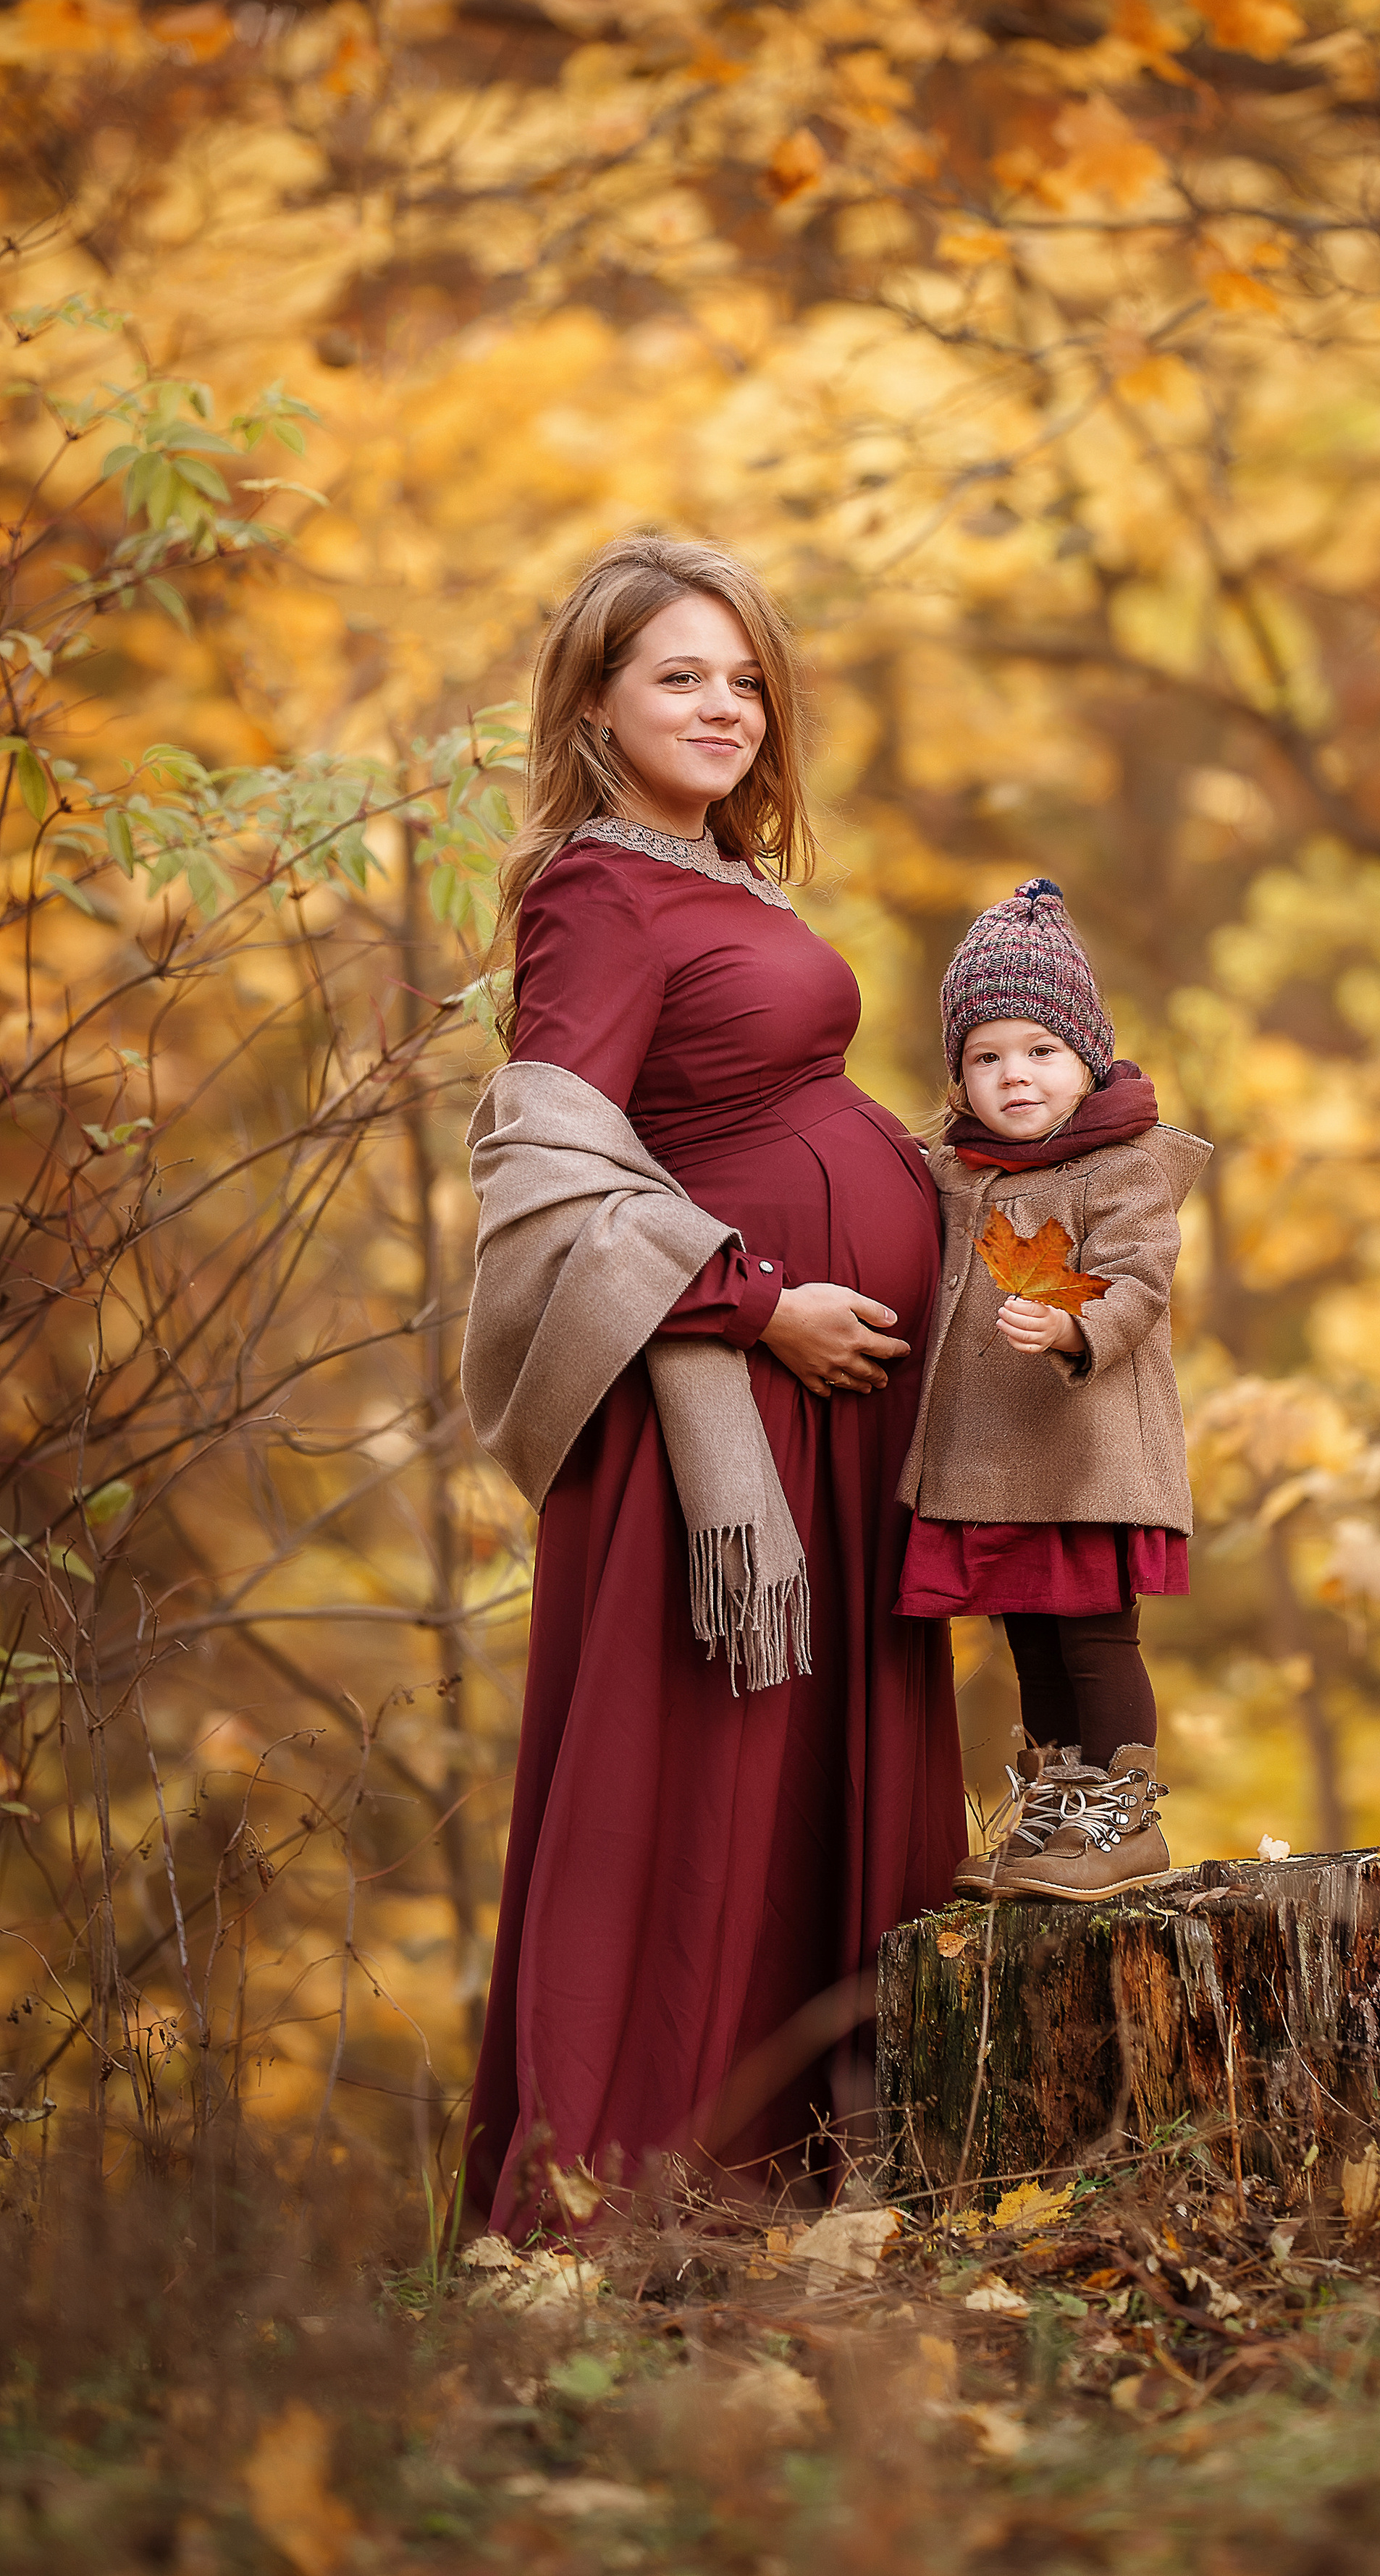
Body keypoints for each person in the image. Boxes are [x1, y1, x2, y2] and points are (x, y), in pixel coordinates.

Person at [460, 534, 965, 2230]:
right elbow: (545, 1166)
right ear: (594, 701)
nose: (723, 705)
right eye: (679, 673)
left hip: (832, 1411)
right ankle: (615, 2211)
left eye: (744, 677)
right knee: (684, 1801)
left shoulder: (713, 877)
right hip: (725, 1424)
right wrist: (756, 1307)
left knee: (811, 1782)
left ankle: (814, 2185)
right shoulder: (595, 893)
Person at [895, 879, 1209, 1901]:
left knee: (1091, 1632)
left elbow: (1140, 1284)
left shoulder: (1120, 1169)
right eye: (985, 1057)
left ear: (1088, 1056)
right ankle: (1059, 1810)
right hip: (990, 1464)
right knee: (1026, 1630)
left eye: (1039, 1050)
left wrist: (1075, 1326)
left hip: (1085, 1453)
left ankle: (1121, 1819)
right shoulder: (957, 1170)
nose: (1013, 1075)